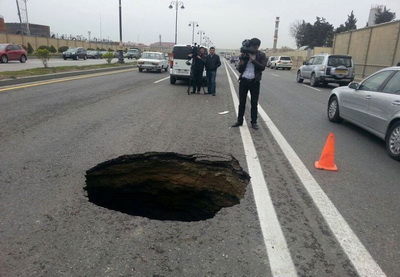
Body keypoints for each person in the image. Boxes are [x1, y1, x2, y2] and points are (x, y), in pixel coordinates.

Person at [231, 38, 267, 130]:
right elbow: (240, 70)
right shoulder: (245, 54)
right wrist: (242, 63)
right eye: (251, 47)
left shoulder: (261, 55)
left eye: (255, 47)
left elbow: (262, 67)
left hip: (255, 81)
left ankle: (254, 122)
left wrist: (253, 60)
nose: (253, 49)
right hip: (244, 80)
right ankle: (239, 121)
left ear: (258, 46)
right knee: (242, 102)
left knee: (254, 103)